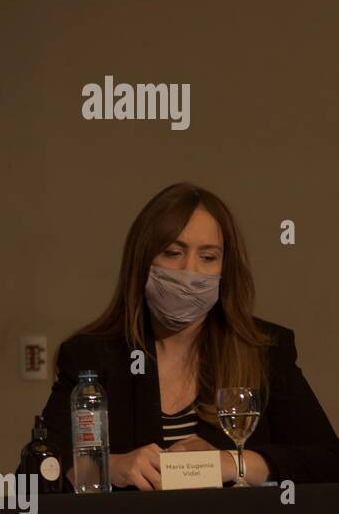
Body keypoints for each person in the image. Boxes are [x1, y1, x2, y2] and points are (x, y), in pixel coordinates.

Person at [42, 183, 338, 488]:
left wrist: (232, 463)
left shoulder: (263, 349)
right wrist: (105, 467)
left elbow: (328, 463)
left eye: (208, 257)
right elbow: (38, 472)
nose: (189, 271)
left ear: (226, 268)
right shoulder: (90, 355)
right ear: (142, 261)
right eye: (172, 253)